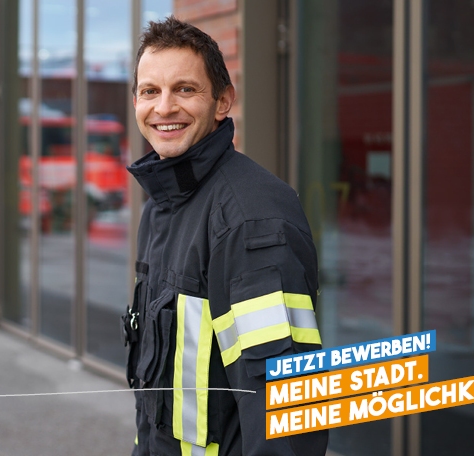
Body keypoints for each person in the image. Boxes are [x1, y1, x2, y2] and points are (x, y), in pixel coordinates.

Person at [122, 17, 327, 455]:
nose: (164, 108)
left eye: (185, 89)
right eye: (150, 91)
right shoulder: (163, 205)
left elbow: (284, 410)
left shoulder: (251, 220)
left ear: (222, 101)